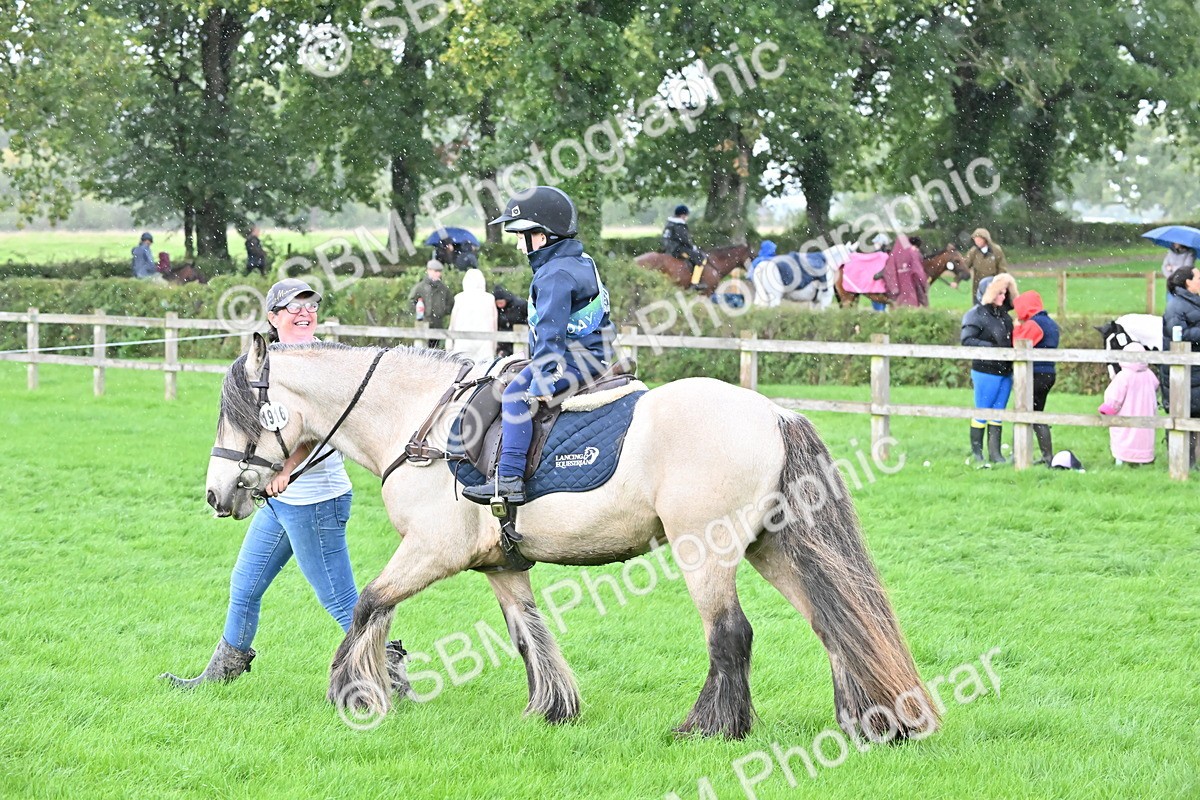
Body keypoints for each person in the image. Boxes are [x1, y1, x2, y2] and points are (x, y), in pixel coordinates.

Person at [160, 279, 405, 690]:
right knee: (245, 583)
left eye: (310, 306)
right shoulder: (264, 363)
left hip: (315, 500)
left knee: (341, 601)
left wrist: (287, 469)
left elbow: (322, 431)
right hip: (280, 502)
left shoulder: (325, 360)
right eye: (294, 307)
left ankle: (392, 672)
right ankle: (220, 675)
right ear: (273, 318)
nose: (305, 313)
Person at [462, 186, 614, 504]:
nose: (519, 246)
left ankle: (510, 478)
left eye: (520, 236)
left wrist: (544, 377)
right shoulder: (580, 261)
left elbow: (550, 333)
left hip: (575, 359)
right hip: (597, 351)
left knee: (515, 394)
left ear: (541, 237)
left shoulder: (553, 275)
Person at [961, 273, 1017, 466]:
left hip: (1005, 370)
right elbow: (967, 340)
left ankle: (995, 454)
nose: (1003, 296)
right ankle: (977, 453)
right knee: (983, 410)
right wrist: (992, 350)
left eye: (1005, 292)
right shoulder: (975, 314)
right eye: (999, 293)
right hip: (985, 369)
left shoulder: (1004, 316)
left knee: (998, 411)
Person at [1013, 290, 1059, 464]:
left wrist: (1017, 326)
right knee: (1037, 413)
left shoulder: (1035, 324)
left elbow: (1018, 345)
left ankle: (1021, 455)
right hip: (1048, 373)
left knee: (1025, 413)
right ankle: (1046, 455)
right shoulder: (1050, 323)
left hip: (1035, 374)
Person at [1161, 266, 1200, 466]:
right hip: (1184, 374)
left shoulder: (1194, 304)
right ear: (1188, 282)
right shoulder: (1176, 307)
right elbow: (1180, 335)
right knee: (1184, 416)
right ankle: (1183, 464)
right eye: (1199, 277)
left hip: (1195, 373)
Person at [1099, 342, 1159, 466]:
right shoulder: (1149, 374)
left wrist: (1108, 408)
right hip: (1146, 414)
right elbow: (1156, 385)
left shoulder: (1123, 376)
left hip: (1126, 414)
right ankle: (1144, 460)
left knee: (1124, 436)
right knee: (1144, 437)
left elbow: (1113, 397)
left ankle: (1121, 461)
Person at [446, 268, 498, 363]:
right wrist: (494, 347)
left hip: (462, 342)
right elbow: (493, 325)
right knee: (484, 373)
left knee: (462, 371)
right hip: (484, 344)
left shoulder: (459, 298)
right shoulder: (489, 299)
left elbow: (452, 324)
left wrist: (449, 345)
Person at [409, 259, 455, 348]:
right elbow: (411, 301)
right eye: (435, 271)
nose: (437, 274)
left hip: (437, 323)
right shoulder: (420, 287)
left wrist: (443, 311)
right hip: (423, 322)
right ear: (429, 271)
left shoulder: (443, 288)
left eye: (439, 272)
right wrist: (419, 312)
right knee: (421, 349)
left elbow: (451, 302)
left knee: (435, 350)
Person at [878, 234, 929, 308]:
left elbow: (889, 272)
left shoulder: (893, 256)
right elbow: (918, 272)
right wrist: (923, 283)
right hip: (910, 287)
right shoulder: (912, 253)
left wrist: (894, 288)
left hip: (898, 291)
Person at [662, 204, 706, 288]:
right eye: (686, 215)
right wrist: (692, 247)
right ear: (683, 215)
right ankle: (695, 283)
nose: (687, 217)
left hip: (667, 247)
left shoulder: (670, 223)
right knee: (701, 258)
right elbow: (684, 239)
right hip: (677, 249)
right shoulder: (679, 225)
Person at [962, 227, 1008, 298]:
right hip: (978, 287)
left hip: (993, 286)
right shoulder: (973, 252)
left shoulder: (996, 251)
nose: (976, 241)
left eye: (978, 239)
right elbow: (964, 266)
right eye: (975, 239)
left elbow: (1002, 268)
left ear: (985, 239)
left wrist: (997, 283)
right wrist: (957, 280)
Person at [493, 284, 529, 358]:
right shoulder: (497, 310)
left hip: (520, 336)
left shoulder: (519, 305)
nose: (500, 305)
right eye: (498, 303)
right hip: (504, 341)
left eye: (501, 302)